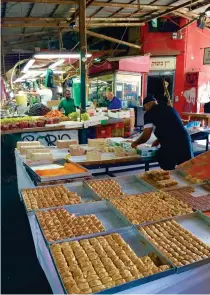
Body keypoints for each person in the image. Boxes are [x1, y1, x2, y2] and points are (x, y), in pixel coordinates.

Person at [131, 95, 193, 170]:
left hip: (170, 145)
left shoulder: (149, 114)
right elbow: (172, 127)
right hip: (185, 141)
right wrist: (158, 140)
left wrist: (135, 143)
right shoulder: (169, 108)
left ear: (148, 104)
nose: (145, 110)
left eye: (145, 108)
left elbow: (145, 136)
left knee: (167, 171)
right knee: (188, 172)